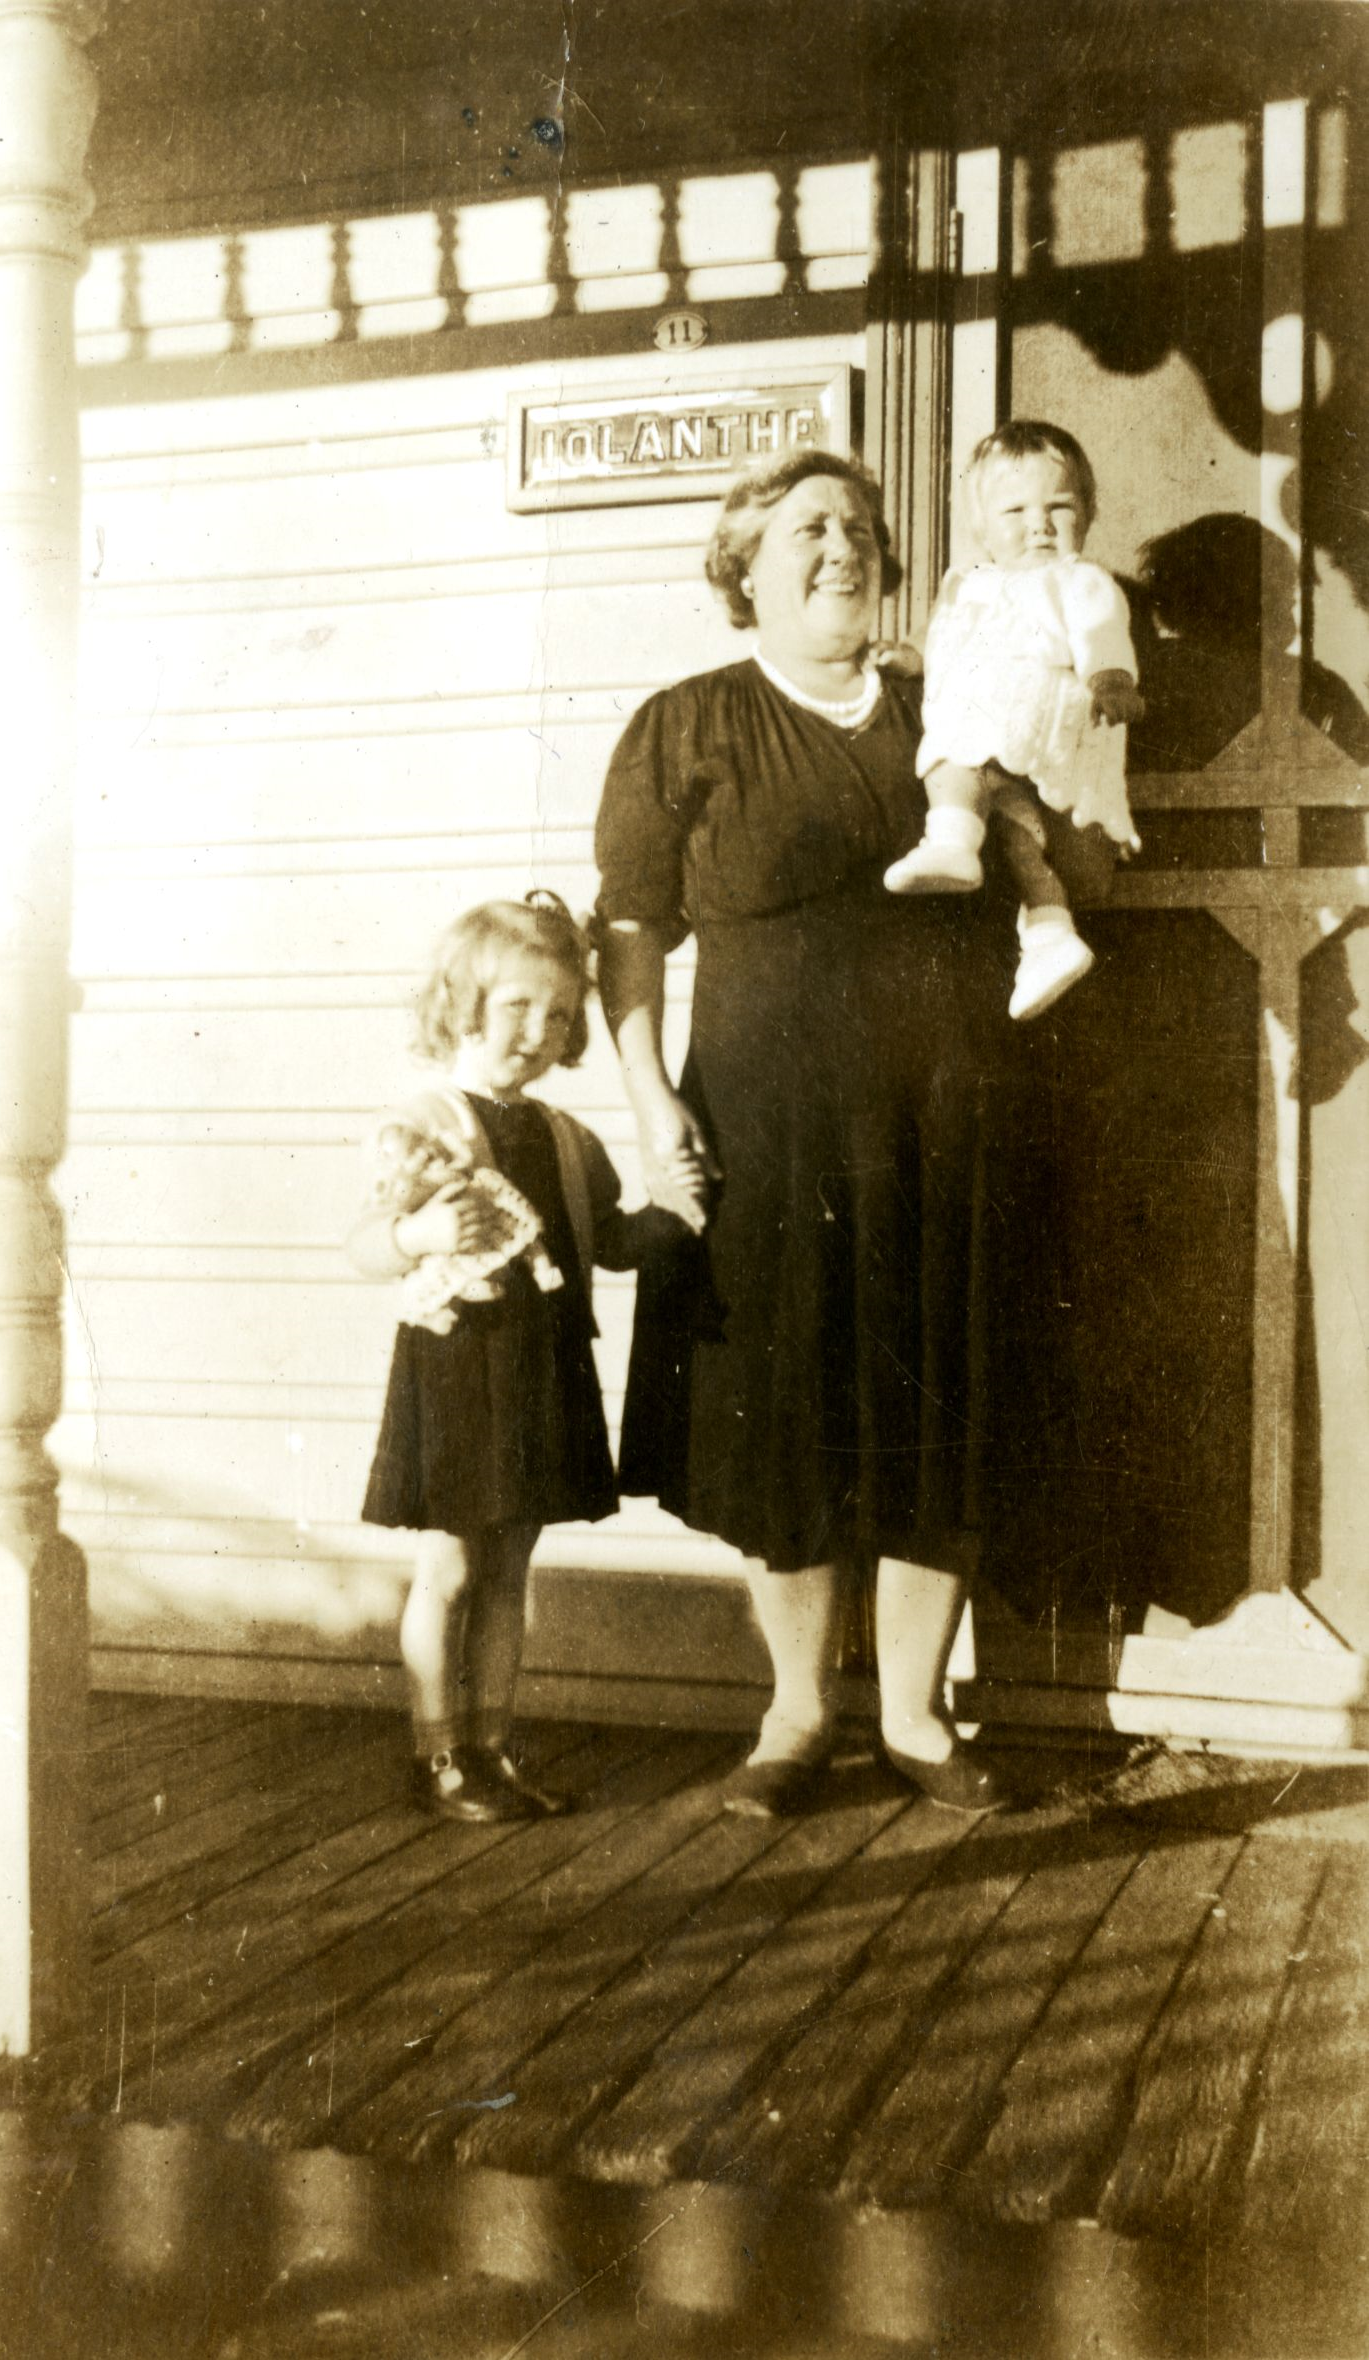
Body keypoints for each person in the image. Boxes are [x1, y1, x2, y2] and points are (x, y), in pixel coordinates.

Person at [595, 448, 1020, 1817]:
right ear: (744, 570)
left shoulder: (944, 708)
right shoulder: (687, 723)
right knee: (782, 1410)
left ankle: (913, 1718)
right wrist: (653, 1102)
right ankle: (796, 1718)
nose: (842, 543)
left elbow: (1044, 846)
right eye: (805, 528)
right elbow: (633, 938)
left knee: (930, 1395)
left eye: (860, 525)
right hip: (766, 1123)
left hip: (940, 1108)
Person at [348, 892, 669, 1824]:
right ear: (463, 1003)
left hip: (541, 1367)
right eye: (518, 1005)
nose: (538, 1030)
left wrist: (679, 1217)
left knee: (511, 1569)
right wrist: (418, 1230)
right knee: (452, 1565)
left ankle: (491, 1749)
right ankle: (438, 1754)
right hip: (458, 1369)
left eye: (561, 1014)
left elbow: (607, 1238)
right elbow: (363, 1245)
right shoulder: (424, 1121)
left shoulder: (568, 1138)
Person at [884, 420, 1144, 1020]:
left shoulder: (1080, 581)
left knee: (957, 761)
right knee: (1017, 843)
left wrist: (1111, 681)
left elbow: (1102, 634)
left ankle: (949, 841)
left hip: (1037, 730)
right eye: (1015, 510)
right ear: (981, 527)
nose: (1039, 524)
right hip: (997, 743)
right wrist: (908, 656)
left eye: (1060, 506)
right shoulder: (967, 582)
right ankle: (1051, 937)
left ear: (1088, 513)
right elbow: (936, 638)